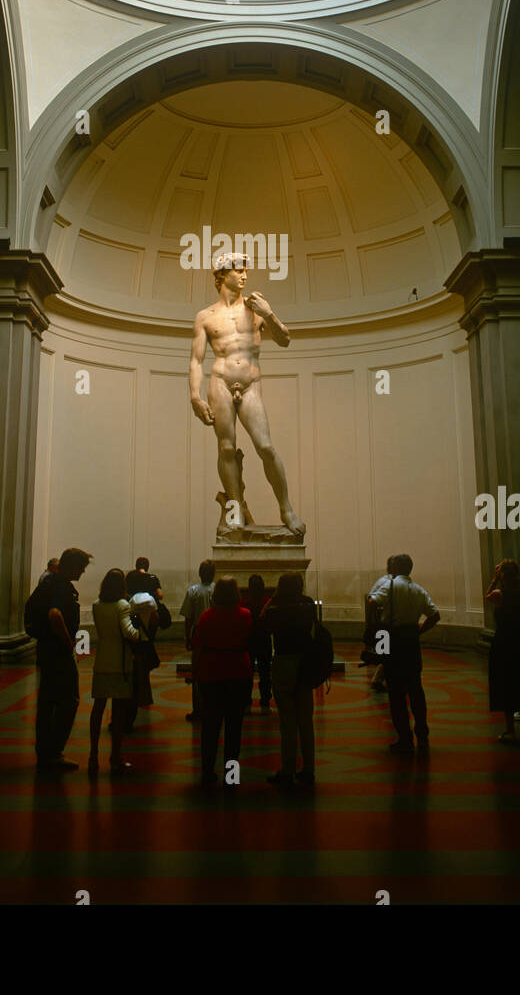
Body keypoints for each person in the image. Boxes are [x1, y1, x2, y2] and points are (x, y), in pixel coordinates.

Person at [189, 253, 305, 539]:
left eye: (245, 271)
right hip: (220, 381)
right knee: (226, 449)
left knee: (265, 446)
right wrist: (194, 396)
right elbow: (196, 360)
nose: (244, 276)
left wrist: (268, 313)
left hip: (250, 383)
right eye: (238, 271)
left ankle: (286, 508)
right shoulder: (205, 316)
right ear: (222, 275)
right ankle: (233, 511)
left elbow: (285, 340)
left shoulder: (256, 307)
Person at [368, 554, 440, 753]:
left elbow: (372, 602)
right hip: (411, 641)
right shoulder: (418, 590)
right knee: (416, 688)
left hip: (394, 639)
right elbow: (435, 615)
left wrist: (378, 625)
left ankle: (404, 738)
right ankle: (423, 734)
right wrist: (419, 631)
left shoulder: (390, 586)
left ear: (395, 568)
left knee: (396, 692)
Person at [35, 547, 92, 773]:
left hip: (46, 649)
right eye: (82, 567)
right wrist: (68, 642)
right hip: (58, 651)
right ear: (72, 567)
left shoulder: (49, 582)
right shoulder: (61, 587)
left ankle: (44, 751)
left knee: (47, 701)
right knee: (69, 700)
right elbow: (54, 614)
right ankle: (54, 752)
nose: (84, 571)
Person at [194, 576, 253, 787]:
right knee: (234, 730)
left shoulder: (207, 617)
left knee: (210, 727)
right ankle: (232, 776)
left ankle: (207, 772)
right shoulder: (245, 616)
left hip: (212, 674)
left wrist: (195, 673)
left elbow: (198, 648)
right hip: (238, 672)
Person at [89, 568, 149, 775]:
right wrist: (141, 627)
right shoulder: (122, 605)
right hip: (120, 665)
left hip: (102, 662)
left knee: (97, 710)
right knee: (118, 714)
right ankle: (115, 757)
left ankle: (93, 755)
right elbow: (129, 633)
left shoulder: (97, 605)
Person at [261, 572, 318, 787]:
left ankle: (288, 770)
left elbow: (263, 623)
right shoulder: (308, 605)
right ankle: (309, 769)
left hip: (284, 662)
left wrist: (275, 597)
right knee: (305, 720)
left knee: (287, 721)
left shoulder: (276, 609)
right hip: (305, 663)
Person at [486, 558, 520, 742]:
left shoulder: (498, 594)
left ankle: (510, 729)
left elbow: (486, 597)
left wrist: (494, 579)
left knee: (506, 685)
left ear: (502, 576)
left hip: (505, 643)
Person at [181, 559, 216, 721]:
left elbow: (188, 618)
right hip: (216, 634)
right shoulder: (218, 589)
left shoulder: (193, 591)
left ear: (200, 573)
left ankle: (198, 709)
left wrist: (187, 637)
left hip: (198, 633)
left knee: (197, 672)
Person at [124, 584, 160, 731]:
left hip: (134, 645)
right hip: (145, 644)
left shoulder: (131, 602)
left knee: (132, 680)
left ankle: (127, 716)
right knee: (142, 677)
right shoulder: (151, 601)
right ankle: (140, 701)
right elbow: (155, 620)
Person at [364, 557, 396, 692]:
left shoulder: (385, 581)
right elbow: (372, 601)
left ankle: (381, 679)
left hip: (382, 625)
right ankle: (379, 680)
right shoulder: (388, 583)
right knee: (387, 654)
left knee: (386, 654)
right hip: (385, 625)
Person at [242, 574, 272, 711]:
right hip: (264, 641)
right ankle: (265, 700)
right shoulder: (267, 603)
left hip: (248, 641)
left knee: (247, 673)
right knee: (265, 672)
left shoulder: (244, 604)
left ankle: (246, 700)